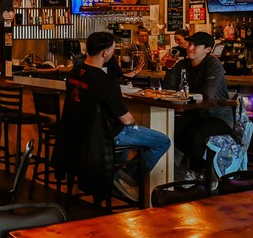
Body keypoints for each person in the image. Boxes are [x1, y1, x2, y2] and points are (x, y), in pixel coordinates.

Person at [55, 32, 170, 201]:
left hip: (80, 134)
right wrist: (134, 126)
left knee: (130, 145)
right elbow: (126, 119)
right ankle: (123, 179)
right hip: (105, 135)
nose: (114, 53)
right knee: (162, 141)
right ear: (105, 53)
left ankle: (115, 174)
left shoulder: (74, 72)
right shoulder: (104, 81)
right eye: (113, 50)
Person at [162, 31, 233, 179]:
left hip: (218, 116)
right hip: (195, 114)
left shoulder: (213, 64)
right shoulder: (183, 64)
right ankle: (201, 169)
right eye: (190, 44)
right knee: (169, 130)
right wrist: (169, 69)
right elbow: (169, 90)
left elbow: (208, 93)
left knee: (194, 135)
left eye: (196, 45)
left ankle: (200, 171)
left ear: (207, 50)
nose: (190, 48)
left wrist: (185, 96)